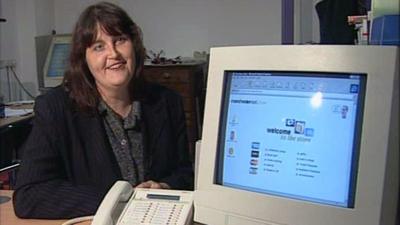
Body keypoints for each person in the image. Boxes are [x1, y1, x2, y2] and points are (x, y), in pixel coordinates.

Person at [13, 2, 193, 219]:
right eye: (99, 46)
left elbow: (185, 175)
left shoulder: (167, 102)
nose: (114, 53)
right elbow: (28, 195)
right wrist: (118, 201)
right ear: (84, 59)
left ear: (133, 46)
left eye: (120, 40)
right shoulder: (56, 108)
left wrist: (164, 187)